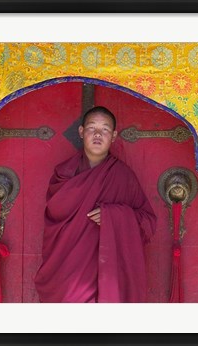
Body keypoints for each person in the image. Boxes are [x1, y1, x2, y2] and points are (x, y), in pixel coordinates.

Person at [34, 106, 157, 303]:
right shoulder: (63, 175)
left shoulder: (123, 177)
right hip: (66, 272)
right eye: (92, 128)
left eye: (105, 129)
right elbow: (55, 219)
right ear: (81, 132)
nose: (98, 134)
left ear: (114, 136)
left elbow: (148, 223)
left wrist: (114, 216)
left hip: (108, 271)